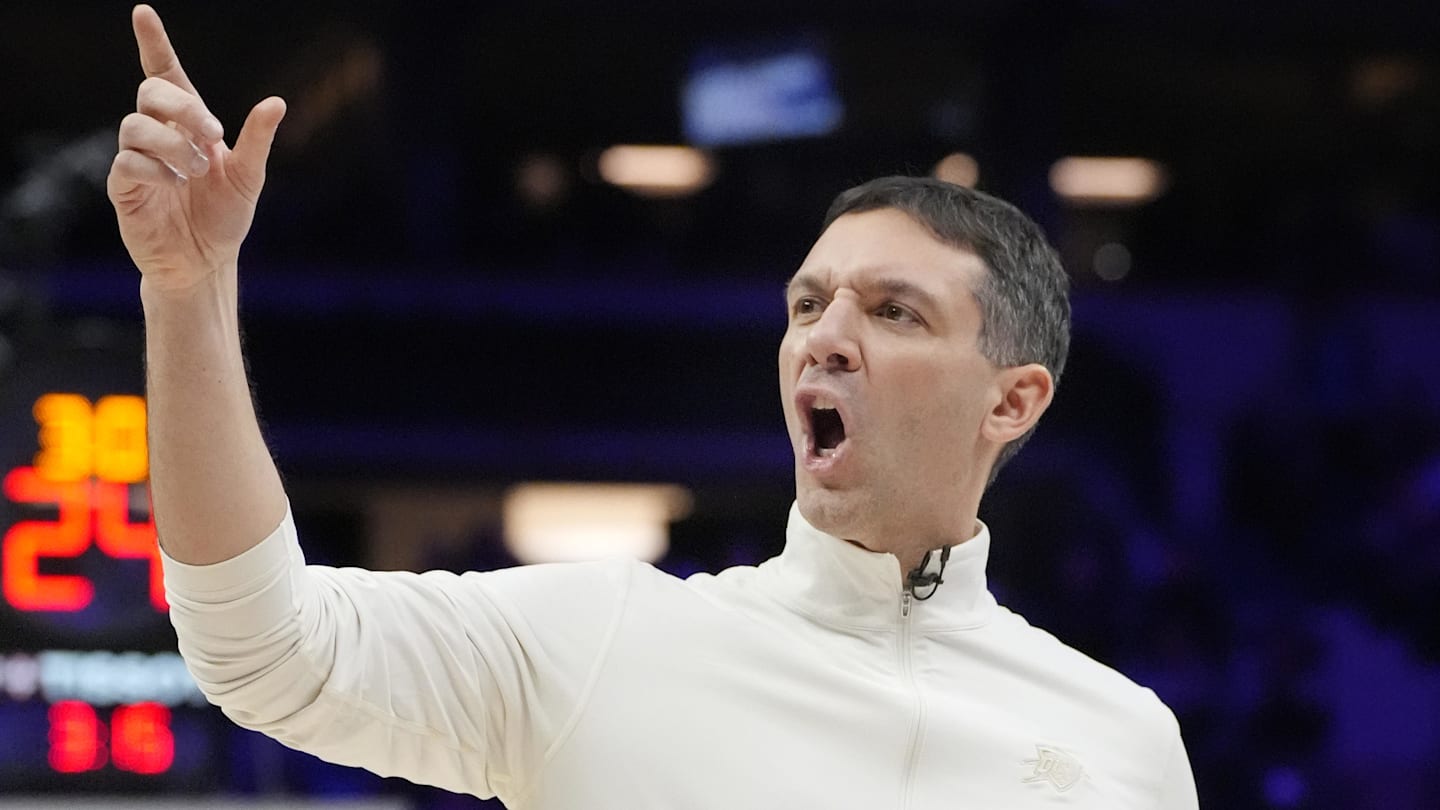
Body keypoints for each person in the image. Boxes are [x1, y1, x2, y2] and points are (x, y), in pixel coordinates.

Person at [109, 5, 1199, 808]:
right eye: (809, 303)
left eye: (895, 312)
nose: (825, 337)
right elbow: (258, 646)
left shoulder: (1121, 743)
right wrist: (189, 291)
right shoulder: (601, 645)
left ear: (1012, 401)